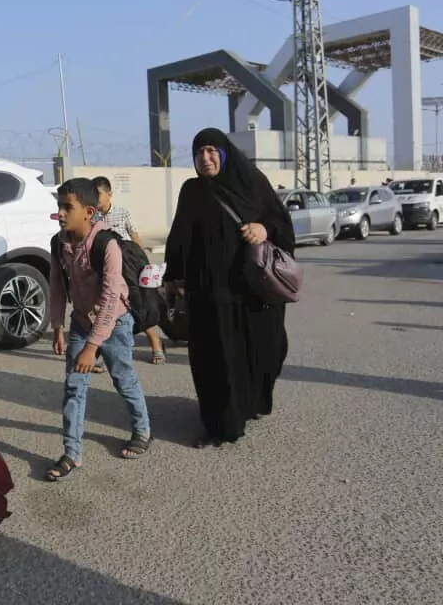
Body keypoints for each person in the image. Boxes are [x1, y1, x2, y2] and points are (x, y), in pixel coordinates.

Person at [162, 128, 294, 447]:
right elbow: (180, 236)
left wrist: (264, 229)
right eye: (199, 153)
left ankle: (251, 402)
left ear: (224, 153)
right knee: (214, 359)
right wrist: (174, 278)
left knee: (263, 350)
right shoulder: (192, 191)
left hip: (252, 293)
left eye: (211, 151)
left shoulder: (252, 184)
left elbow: (282, 224)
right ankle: (221, 424)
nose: (205, 159)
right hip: (208, 294)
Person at [44, 178, 152, 481]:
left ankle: (142, 430)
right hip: (80, 321)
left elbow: (108, 299)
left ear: (89, 211)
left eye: (68, 207)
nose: (61, 213)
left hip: (114, 322)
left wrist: (92, 347)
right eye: (59, 207)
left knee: (123, 378)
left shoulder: (108, 244)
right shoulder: (58, 243)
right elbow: (56, 286)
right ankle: (71, 452)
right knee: (74, 388)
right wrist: (57, 327)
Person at [92, 175, 166, 366]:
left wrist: (145, 266)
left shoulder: (122, 214)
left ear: (109, 194)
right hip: (106, 268)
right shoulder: (92, 218)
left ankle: (156, 344)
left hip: (128, 267)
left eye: (98, 195)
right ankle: (99, 354)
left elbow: (135, 237)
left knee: (138, 305)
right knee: (106, 309)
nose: (96, 199)